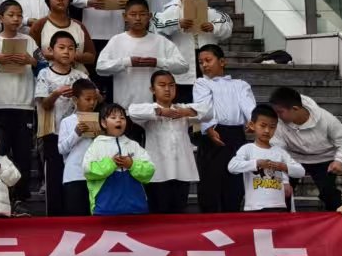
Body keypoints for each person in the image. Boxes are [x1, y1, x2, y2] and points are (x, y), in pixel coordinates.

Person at [0, 0, 37, 216]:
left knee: (22, 156)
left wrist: (30, 60)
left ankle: (20, 199)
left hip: (24, 105)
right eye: (11, 15)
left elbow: (44, 67)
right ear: (0, 18)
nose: (16, 19)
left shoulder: (29, 41)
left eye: (19, 15)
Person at [128, 70, 204, 214]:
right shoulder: (150, 111)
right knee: (158, 213)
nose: (167, 89)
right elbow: (132, 111)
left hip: (182, 170)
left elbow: (209, 111)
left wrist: (186, 112)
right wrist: (161, 112)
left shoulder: (181, 109)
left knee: (179, 213)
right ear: (152, 89)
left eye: (171, 85)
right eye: (162, 85)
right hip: (158, 171)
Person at [269, 86, 342, 212]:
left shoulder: (326, 119)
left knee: (329, 192)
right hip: (293, 158)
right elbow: (277, 149)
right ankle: (280, 217)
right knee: (280, 189)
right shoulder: (278, 122)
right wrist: (284, 180)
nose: (276, 115)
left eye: (280, 112)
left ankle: (338, 216)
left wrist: (340, 160)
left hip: (323, 158)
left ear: (295, 109)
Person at [194, 43, 256, 213]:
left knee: (234, 183)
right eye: (200, 62)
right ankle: (210, 221)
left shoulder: (240, 84)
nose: (204, 65)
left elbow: (248, 104)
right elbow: (203, 106)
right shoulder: (201, 83)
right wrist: (209, 128)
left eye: (208, 60)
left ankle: (232, 217)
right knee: (210, 183)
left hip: (236, 135)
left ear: (222, 62)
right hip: (213, 132)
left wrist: (253, 121)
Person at [94, 0, 188, 109]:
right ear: (125, 17)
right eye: (133, 14)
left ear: (149, 16)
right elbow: (100, 67)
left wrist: (158, 62)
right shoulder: (117, 40)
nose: (138, 18)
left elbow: (183, 66)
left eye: (142, 14)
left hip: (155, 108)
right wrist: (127, 62)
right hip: (125, 107)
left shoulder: (161, 41)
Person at [34, 31, 88, 216]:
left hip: (78, 133)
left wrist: (88, 94)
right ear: (51, 50)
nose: (66, 52)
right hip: (52, 132)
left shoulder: (81, 75)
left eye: (71, 48)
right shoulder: (44, 73)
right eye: (62, 48)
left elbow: (94, 98)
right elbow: (45, 104)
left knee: (75, 175)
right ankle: (55, 218)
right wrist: (57, 93)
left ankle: (74, 214)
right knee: (54, 176)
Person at [152, 0, 233, 86]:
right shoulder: (171, 11)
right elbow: (157, 25)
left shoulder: (210, 11)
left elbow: (227, 25)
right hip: (182, 62)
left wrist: (213, 27)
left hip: (207, 61)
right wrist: (177, 24)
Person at [228, 105, 304, 212]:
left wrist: (283, 167)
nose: (267, 130)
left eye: (272, 127)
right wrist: (257, 163)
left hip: (278, 207)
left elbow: (301, 171)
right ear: (252, 125)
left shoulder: (280, 152)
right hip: (254, 207)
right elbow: (232, 167)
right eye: (263, 126)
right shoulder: (247, 149)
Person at [84, 102, 155, 214]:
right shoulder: (96, 146)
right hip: (105, 210)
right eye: (113, 117)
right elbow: (88, 171)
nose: (119, 120)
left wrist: (132, 165)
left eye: (122, 118)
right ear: (103, 123)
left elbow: (149, 170)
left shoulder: (133, 145)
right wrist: (111, 163)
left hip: (137, 209)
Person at [56, 79, 105, 217]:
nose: (92, 103)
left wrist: (100, 136)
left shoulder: (101, 121)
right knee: (76, 217)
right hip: (74, 175)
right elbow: (61, 149)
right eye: (88, 99)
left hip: (96, 175)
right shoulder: (67, 122)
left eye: (95, 99)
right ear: (75, 100)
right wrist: (76, 133)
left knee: (96, 216)